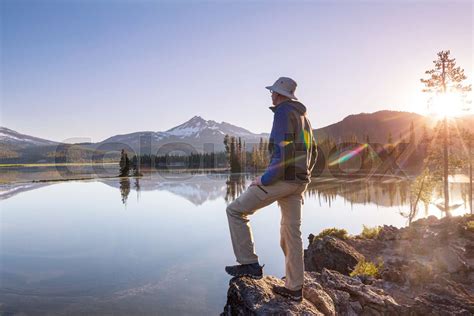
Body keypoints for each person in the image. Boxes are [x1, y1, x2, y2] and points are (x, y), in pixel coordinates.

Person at [225, 77, 318, 301]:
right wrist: (305, 175)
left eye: (272, 92)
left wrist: (265, 179)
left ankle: (249, 264)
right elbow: (313, 151)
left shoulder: (283, 112)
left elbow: (282, 150)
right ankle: (295, 288)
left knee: (235, 211)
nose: (271, 95)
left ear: (279, 94)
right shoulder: (304, 116)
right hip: (298, 182)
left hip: (282, 180)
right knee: (291, 233)